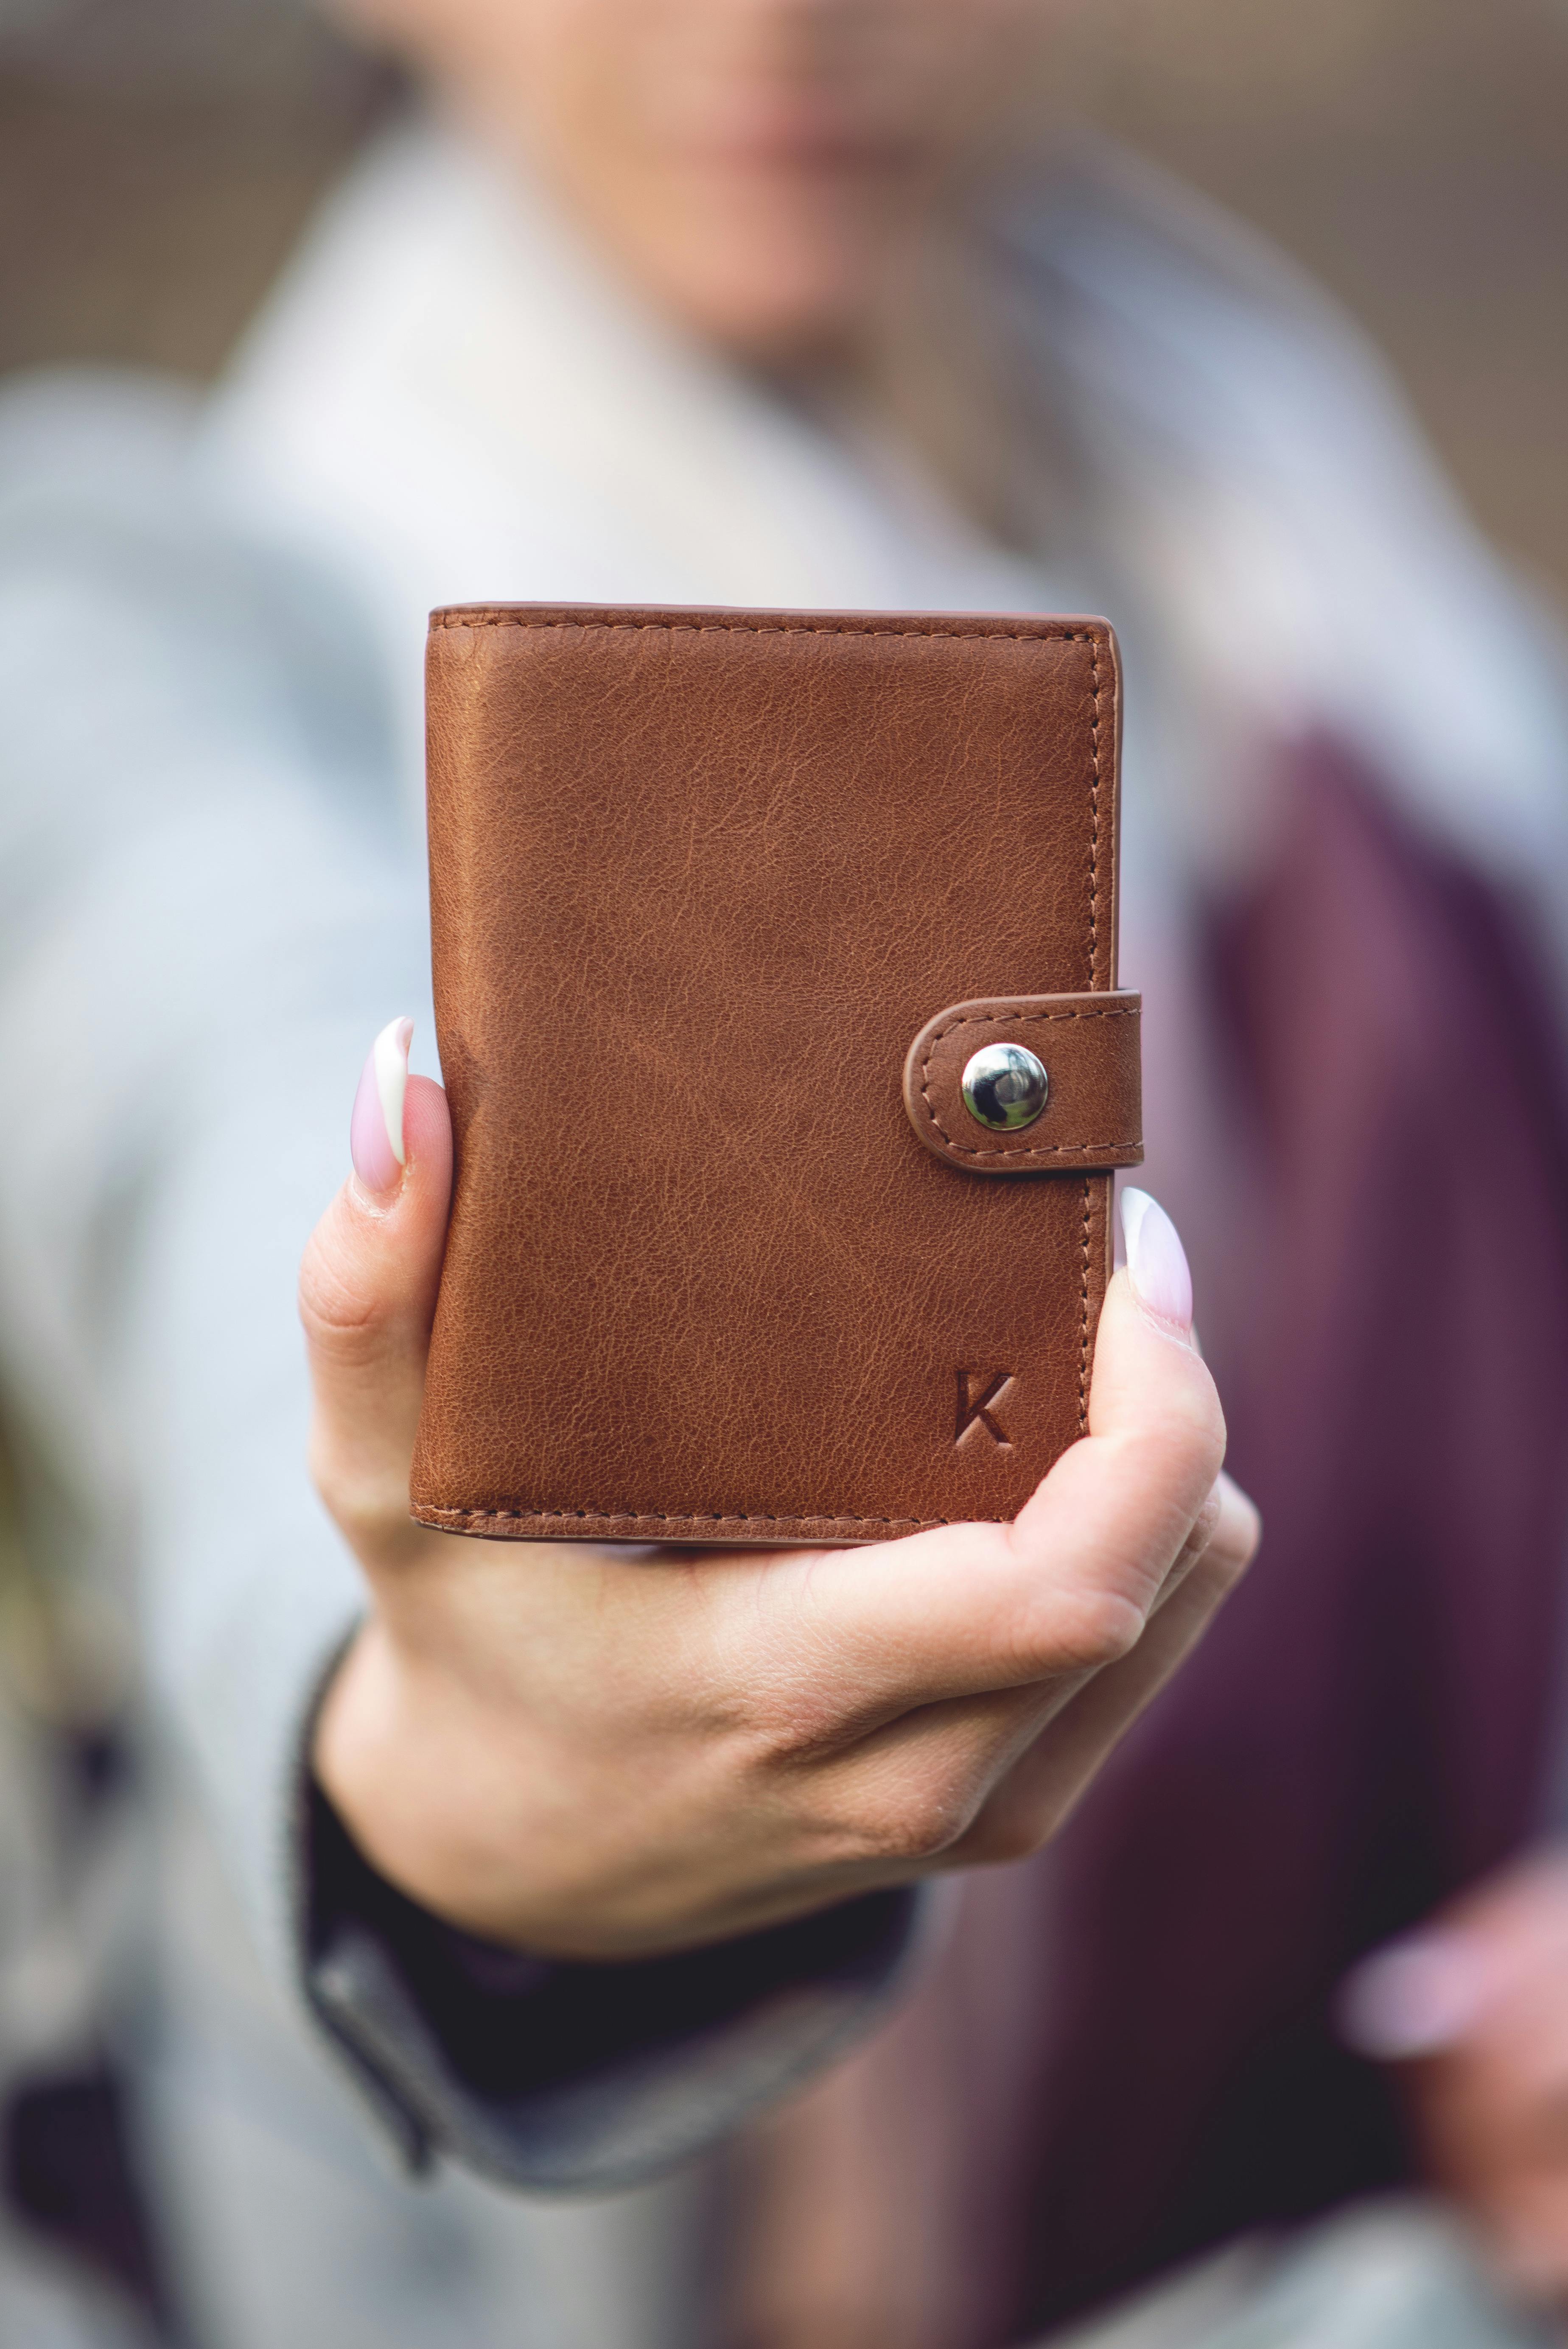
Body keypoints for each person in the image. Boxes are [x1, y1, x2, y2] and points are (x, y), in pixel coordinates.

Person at [0, 2, 1564, 2344]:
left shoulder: (1325, 552)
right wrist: (428, 1773)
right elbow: (204, 1078)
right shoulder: (176, 609)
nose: (775, 19)